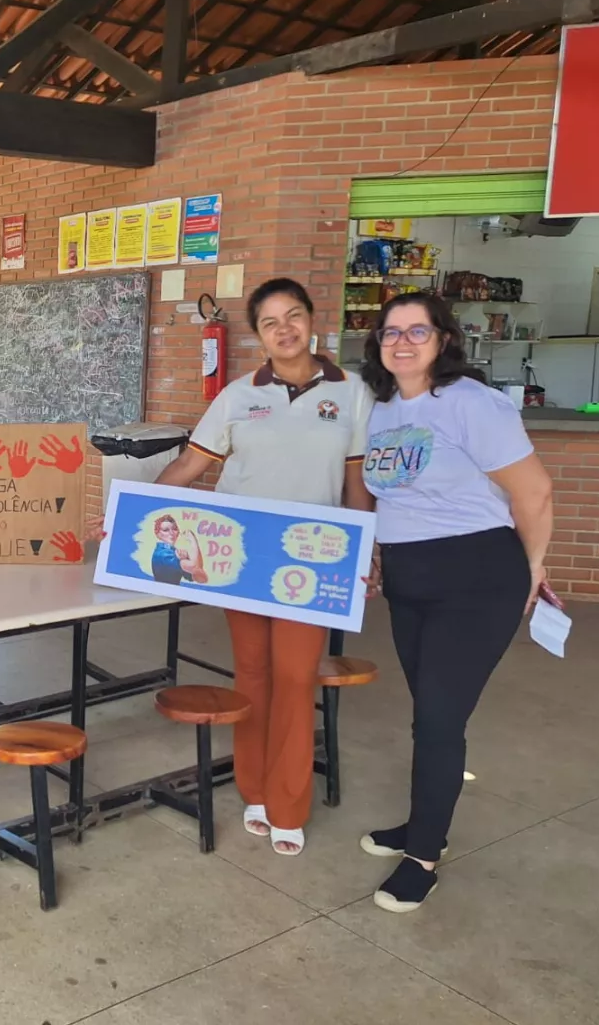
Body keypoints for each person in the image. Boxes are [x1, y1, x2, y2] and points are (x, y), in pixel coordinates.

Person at [142, 278, 373, 856]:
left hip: (312, 559)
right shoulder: (238, 396)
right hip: (242, 559)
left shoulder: (353, 393)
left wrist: (367, 549)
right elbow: (190, 465)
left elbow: (357, 483)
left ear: (311, 319)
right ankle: (255, 791)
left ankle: (288, 803)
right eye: (270, 323)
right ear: (259, 336)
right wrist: (133, 517)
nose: (284, 329)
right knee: (252, 675)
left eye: (293, 316)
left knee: (295, 678)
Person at [358, 292, 552, 912]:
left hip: (476, 580)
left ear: (443, 339)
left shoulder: (471, 402)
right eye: (391, 332)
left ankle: (423, 857)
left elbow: (534, 492)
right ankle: (424, 824)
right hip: (409, 581)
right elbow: (396, 496)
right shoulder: (385, 407)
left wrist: (532, 569)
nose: (403, 342)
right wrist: (378, 551)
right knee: (428, 714)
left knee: (441, 719)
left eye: (418, 330)